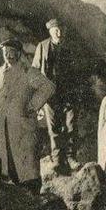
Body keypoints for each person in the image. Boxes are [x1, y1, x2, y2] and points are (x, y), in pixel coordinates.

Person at [0, 38, 56, 193]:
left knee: (27, 167)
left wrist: (32, 105)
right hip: (4, 126)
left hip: (23, 126)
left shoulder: (28, 72)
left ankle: (33, 193)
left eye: (12, 52)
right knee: (8, 164)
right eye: (6, 53)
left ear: (18, 53)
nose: (9, 56)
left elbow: (49, 87)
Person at [33, 18, 78, 175]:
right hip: (51, 94)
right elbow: (35, 71)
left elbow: (75, 70)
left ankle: (71, 157)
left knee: (71, 124)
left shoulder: (68, 47)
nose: (58, 32)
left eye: (59, 29)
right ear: (50, 31)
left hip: (68, 92)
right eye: (55, 30)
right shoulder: (43, 47)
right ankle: (57, 158)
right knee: (54, 127)